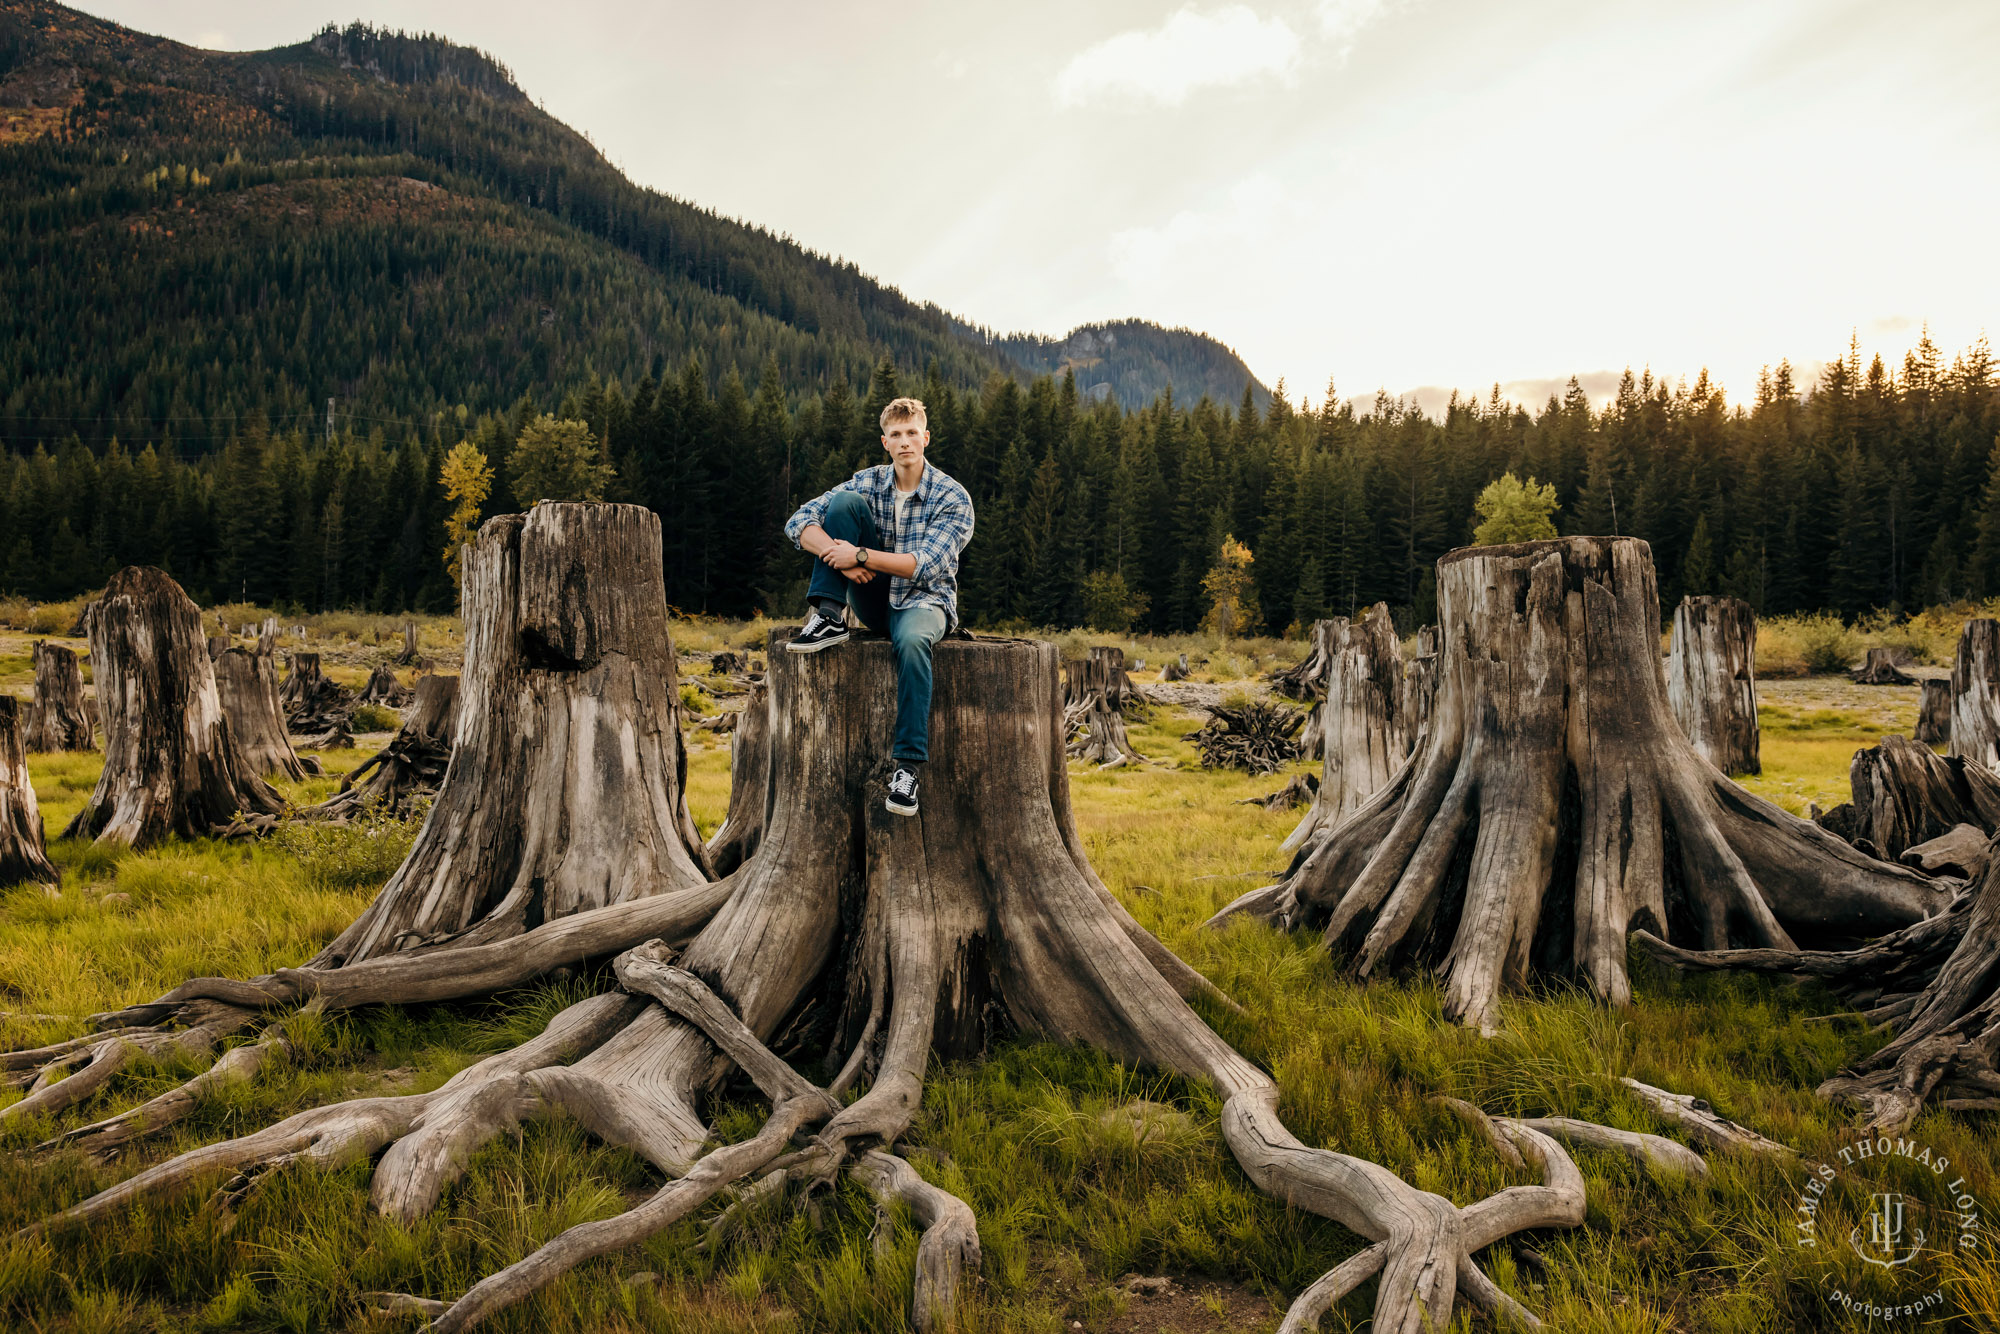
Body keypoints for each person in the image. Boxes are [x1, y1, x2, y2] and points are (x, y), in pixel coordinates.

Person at [784, 395, 975, 816]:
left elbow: (923, 565)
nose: (904, 441)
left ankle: (906, 770)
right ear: (885, 442)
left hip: (925, 603)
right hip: (871, 596)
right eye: (895, 435)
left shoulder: (952, 497)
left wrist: (862, 556)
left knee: (910, 644)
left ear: (925, 438)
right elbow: (798, 521)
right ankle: (829, 616)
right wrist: (840, 556)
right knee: (842, 506)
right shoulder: (868, 481)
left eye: (911, 433)